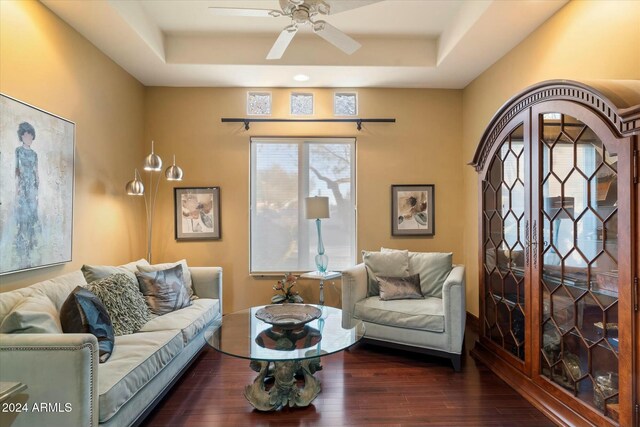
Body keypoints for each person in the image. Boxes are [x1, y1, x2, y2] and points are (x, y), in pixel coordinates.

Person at [14, 121, 40, 266]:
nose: (28, 137)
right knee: (22, 216)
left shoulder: (35, 154)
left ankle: (30, 245)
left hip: (32, 189)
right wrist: (17, 189)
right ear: (21, 136)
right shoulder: (18, 151)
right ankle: (21, 245)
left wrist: (37, 191)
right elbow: (17, 170)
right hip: (23, 187)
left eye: (30, 135)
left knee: (32, 216)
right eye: (25, 135)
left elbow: (36, 172)